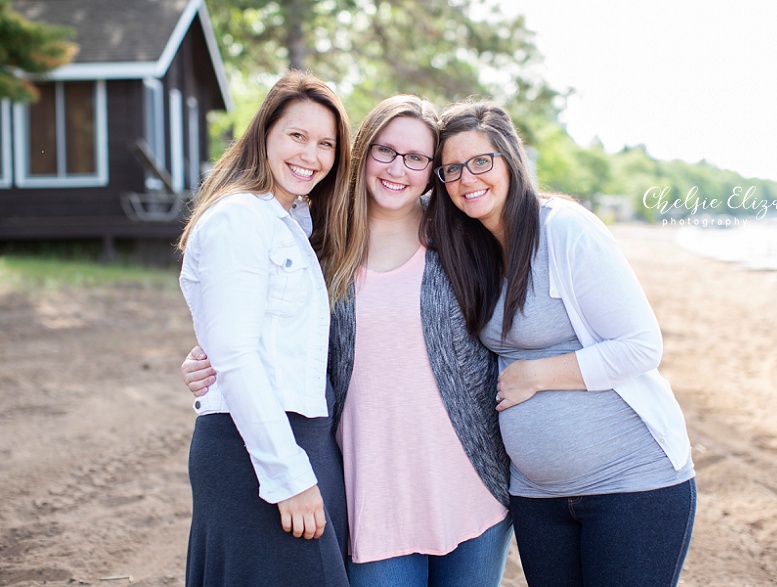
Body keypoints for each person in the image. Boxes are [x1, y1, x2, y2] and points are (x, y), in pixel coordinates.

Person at [181, 95, 513, 587]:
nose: (398, 168)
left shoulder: (463, 239)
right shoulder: (317, 245)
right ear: (360, 155)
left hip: (471, 486)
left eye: (418, 158)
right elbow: (258, 331)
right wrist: (206, 361)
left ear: (432, 171)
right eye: (384, 151)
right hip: (371, 495)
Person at [424, 100, 697, 586]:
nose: (468, 179)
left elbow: (640, 346)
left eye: (481, 162)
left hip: (630, 484)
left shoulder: (564, 229)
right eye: (451, 169)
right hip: (536, 499)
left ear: (510, 159)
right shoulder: (474, 249)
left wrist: (536, 375)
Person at [176, 70, 352, 587]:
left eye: (326, 144)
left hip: (299, 438)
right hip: (255, 450)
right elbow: (234, 356)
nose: (311, 155)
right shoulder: (238, 219)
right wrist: (288, 477)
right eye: (297, 135)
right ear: (265, 135)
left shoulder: (294, 223)